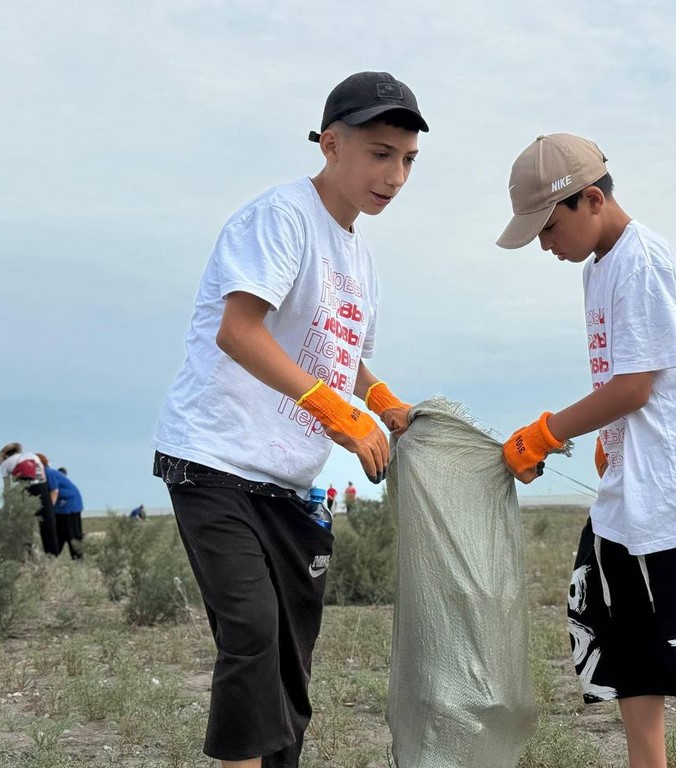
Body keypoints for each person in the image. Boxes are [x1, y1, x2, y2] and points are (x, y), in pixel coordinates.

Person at [151, 71, 426, 768]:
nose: (393, 175)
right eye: (379, 153)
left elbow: (346, 356)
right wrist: (333, 411)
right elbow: (238, 332)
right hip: (214, 458)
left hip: (289, 482)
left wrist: (383, 401)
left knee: (290, 667)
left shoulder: (362, 258)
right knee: (251, 632)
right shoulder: (281, 217)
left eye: (407, 160)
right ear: (332, 145)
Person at [497, 133, 676, 768]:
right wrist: (609, 444)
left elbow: (634, 385)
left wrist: (547, 432)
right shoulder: (600, 266)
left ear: (590, 199)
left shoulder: (642, 263)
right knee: (634, 653)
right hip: (629, 493)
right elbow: (623, 386)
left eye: (547, 227)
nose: (545, 244)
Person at [0, 442, 59, 556]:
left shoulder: (5, 464)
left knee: (25, 525)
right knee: (48, 524)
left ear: (5, 456)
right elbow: (43, 477)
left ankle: (27, 555)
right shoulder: (32, 455)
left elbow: (7, 488)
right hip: (42, 487)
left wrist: (7, 506)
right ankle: (52, 557)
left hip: (27, 488)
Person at [39, 455, 85, 559]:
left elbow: (54, 491)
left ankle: (78, 559)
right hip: (60, 507)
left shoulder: (48, 473)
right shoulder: (41, 475)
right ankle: (52, 558)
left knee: (72, 533)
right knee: (58, 532)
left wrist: (49, 509)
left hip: (69, 504)